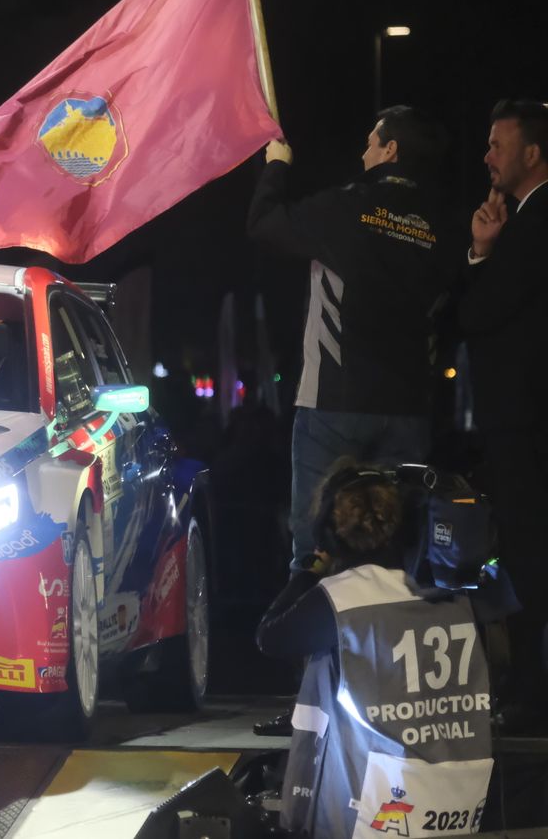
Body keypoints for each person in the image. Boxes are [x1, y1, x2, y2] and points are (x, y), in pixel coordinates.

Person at [248, 107, 463, 575]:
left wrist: (277, 164)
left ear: (391, 150)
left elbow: (264, 224)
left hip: (334, 405)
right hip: (408, 409)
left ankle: (320, 641)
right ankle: (391, 641)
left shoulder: (346, 207)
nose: (363, 152)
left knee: (316, 547)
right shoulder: (445, 224)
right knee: (399, 545)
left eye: (371, 142)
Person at [258, 464, 494, 837]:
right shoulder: (455, 596)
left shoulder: (342, 598)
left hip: (383, 808)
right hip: (461, 804)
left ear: (331, 534)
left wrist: (310, 570)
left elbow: (271, 637)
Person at [458, 99, 548, 732]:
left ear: (532, 154)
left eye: (498, 144)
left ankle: (531, 695)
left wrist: (482, 253)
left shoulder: (532, 226)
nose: (488, 155)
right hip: (526, 415)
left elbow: (481, 316)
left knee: (526, 551)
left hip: (526, 419)